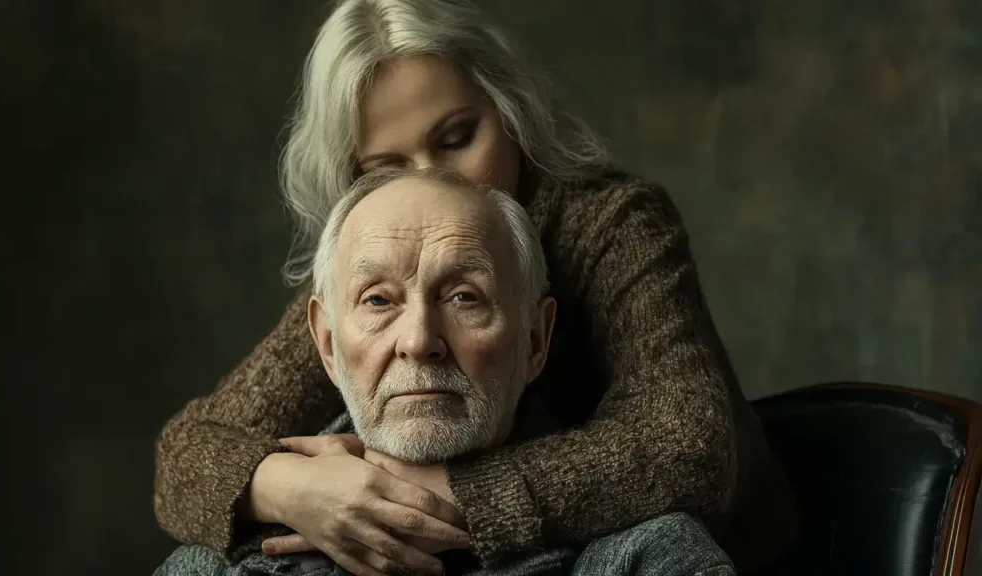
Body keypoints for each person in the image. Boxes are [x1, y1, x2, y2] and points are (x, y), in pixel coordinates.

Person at [153, 0, 798, 574]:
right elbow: (187, 455)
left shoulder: (609, 225)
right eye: (388, 169)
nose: (432, 180)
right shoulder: (380, 260)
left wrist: (434, 495)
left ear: (510, 111)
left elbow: (689, 446)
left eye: (457, 139)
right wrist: (293, 488)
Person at [156, 167, 737, 576]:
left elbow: (692, 445)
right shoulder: (214, 571)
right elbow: (183, 455)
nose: (417, 342)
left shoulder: (649, 559)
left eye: (463, 297)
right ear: (327, 346)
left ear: (536, 340)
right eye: (379, 301)